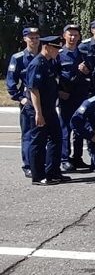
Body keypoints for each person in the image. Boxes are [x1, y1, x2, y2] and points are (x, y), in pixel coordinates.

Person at [24, 35, 70, 185]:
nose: (58, 51)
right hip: (39, 110)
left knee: (57, 139)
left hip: (50, 109)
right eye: (56, 48)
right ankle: (38, 176)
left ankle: (53, 172)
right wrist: (38, 113)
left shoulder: (49, 62)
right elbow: (34, 90)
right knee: (38, 142)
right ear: (47, 47)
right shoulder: (37, 64)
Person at [57, 24, 92, 171]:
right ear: (64, 35)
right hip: (65, 96)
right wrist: (59, 92)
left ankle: (77, 157)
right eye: (70, 34)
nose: (72, 38)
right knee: (65, 128)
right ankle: (64, 158)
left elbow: (93, 75)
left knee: (79, 127)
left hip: (81, 96)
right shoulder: (58, 54)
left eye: (75, 35)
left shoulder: (84, 54)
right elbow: (53, 76)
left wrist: (86, 71)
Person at [7, 26, 40, 177]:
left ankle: (41, 162)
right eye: (31, 38)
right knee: (28, 134)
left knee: (43, 134)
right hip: (28, 101)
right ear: (25, 39)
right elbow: (11, 82)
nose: (34, 40)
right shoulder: (18, 57)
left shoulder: (44, 54)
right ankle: (28, 165)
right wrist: (20, 98)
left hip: (43, 100)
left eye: (36, 37)